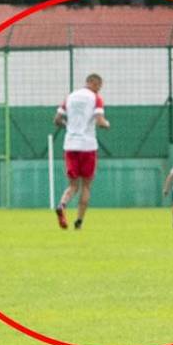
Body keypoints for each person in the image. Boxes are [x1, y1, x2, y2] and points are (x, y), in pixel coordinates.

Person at [54, 74, 109, 230]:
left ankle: (62, 204)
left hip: (70, 145)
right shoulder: (95, 98)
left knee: (72, 185)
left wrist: (69, 127)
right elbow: (100, 121)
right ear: (93, 83)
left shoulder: (70, 97)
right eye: (99, 86)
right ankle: (78, 222)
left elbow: (57, 120)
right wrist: (107, 124)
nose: (99, 89)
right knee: (86, 186)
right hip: (87, 146)